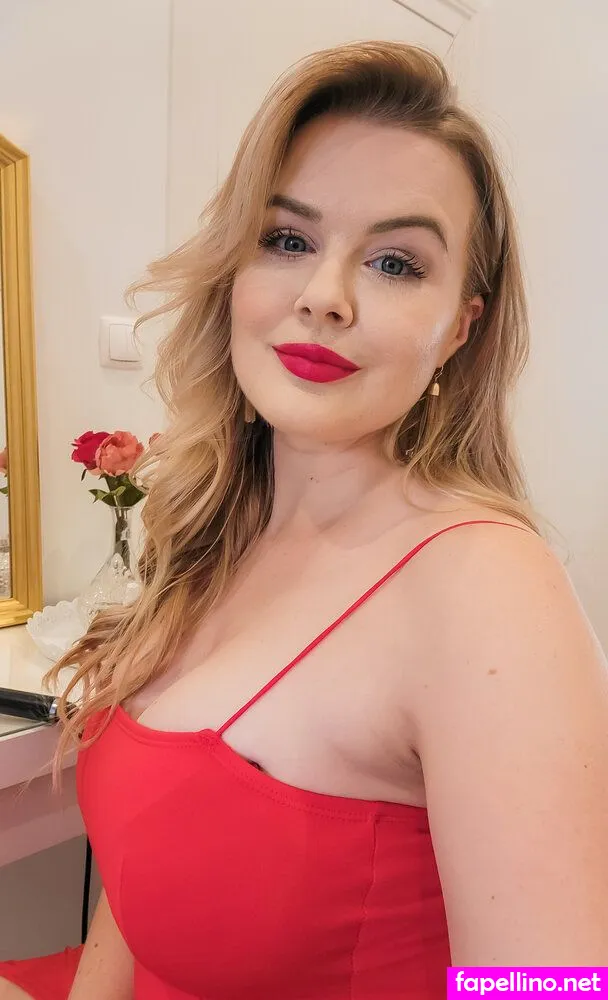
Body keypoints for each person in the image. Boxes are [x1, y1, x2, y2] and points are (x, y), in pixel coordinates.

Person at [2, 38, 608, 1000]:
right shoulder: (217, 532)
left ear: (461, 327)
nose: (325, 297)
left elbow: (545, 986)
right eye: (287, 240)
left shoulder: (487, 592)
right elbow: (136, 888)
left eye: (396, 263)